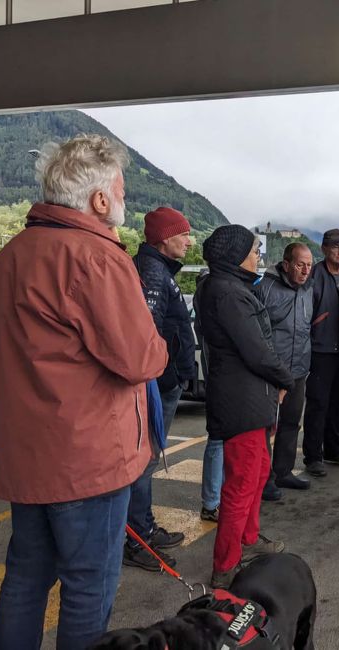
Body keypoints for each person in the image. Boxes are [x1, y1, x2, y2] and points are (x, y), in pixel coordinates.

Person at [0, 134, 168, 649]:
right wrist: (161, 343)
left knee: (25, 578)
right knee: (89, 585)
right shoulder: (97, 258)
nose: (124, 201)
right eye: (122, 191)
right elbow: (138, 359)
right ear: (100, 199)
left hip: (27, 457)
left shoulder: (7, 257)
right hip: (87, 460)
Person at [199, 224, 294, 588]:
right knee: (241, 482)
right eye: (254, 251)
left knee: (257, 473)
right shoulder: (229, 293)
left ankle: (249, 542)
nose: (258, 258)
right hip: (243, 399)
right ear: (236, 255)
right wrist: (286, 378)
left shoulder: (226, 286)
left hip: (252, 397)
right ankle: (226, 565)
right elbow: (257, 350)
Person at [124, 206, 195, 570]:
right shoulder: (153, 271)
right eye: (184, 234)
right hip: (159, 381)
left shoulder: (158, 269)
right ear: (165, 238)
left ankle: (142, 528)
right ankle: (138, 537)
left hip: (165, 378)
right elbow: (147, 332)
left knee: (146, 459)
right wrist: (168, 374)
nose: (189, 240)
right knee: (145, 460)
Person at [254, 243, 315, 492]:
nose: (305, 271)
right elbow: (257, 331)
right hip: (270, 371)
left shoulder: (308, 288)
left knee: (291, 422)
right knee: (264, 427)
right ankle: (264, 478)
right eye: (300, 265)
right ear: (286, 264)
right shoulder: (265, 288)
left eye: (309, 265)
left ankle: (283, 472)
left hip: (298, 369)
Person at [303, 229, 339, 477]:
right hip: (321, 349)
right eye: (335, 246)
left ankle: (333, 450)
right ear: (324, 249)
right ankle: (313, 456)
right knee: (317, 404)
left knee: (338, 404)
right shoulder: (314, 275)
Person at [194, 269, 225, 523]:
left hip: (222, 378)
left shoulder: (208, 288)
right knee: (218, 440)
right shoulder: (211, 289)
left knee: (222, 441)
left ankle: (215, 500)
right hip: (221, 380)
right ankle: (212, 502)